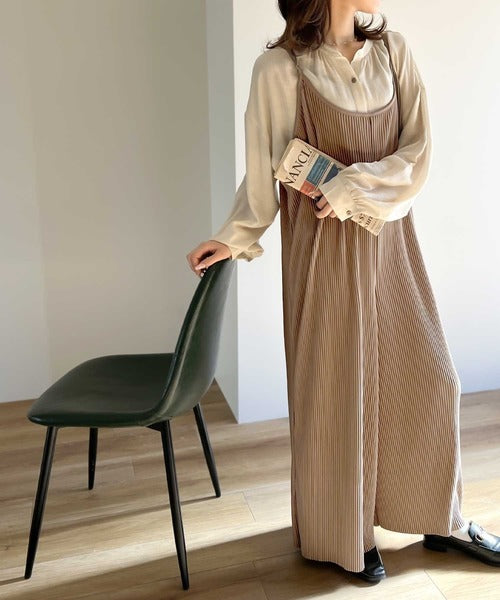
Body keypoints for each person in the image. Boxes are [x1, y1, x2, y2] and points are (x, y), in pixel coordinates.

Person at [186, 0, 500, 583]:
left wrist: (352, 187)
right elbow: (263, 173)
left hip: (391, 243)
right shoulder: (280, 69)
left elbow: (418, 156)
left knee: (434, 377)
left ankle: (440, 518)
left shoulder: (393, 52)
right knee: (335, 397)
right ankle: (340, 536)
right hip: (322, 255)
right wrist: (232, 238)